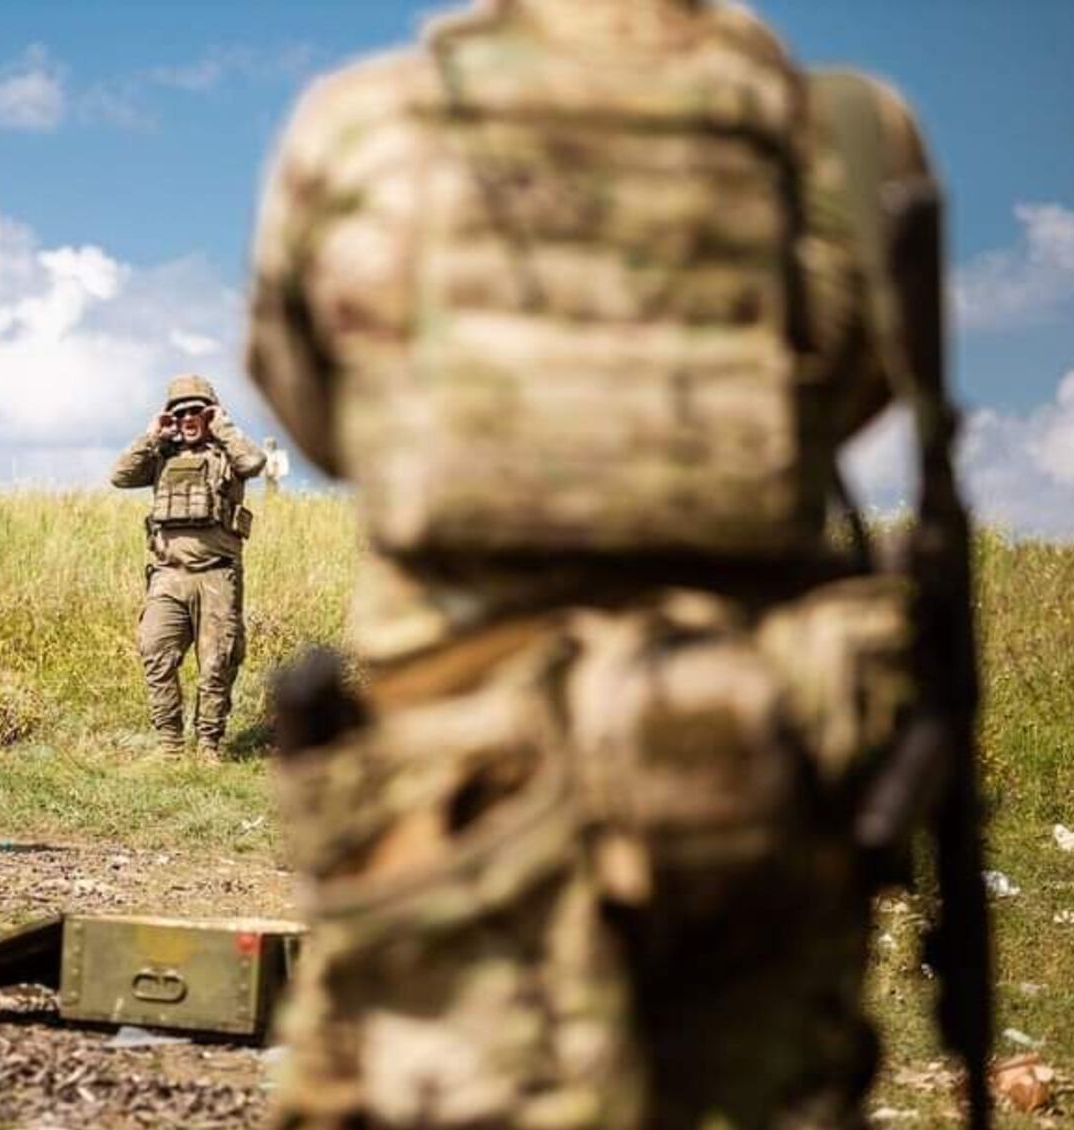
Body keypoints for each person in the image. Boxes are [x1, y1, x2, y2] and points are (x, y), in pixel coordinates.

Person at [247, 1, 978, 1126]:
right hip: (759, 773)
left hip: (457, 792)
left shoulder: (361, 124)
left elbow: (321, 412)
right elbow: (859, 391)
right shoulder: (847, 131)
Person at [109, 375, 268, 758]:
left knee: (217, 664)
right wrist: (152, 436)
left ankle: (209, 746)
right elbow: (119, 476)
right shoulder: (161, 456)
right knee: (155, 651)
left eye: (196, 411)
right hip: (168, 576)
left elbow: (254, 461)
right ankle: (170, 745)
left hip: (216, 574)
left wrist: (223, 426)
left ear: (209, 413)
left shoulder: (227, 453)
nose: (187, 419)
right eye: (179, 413)